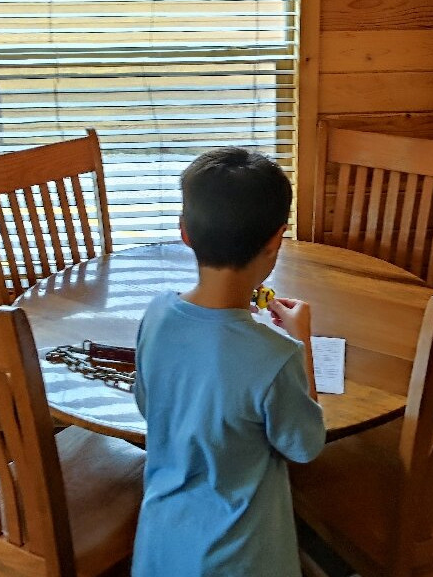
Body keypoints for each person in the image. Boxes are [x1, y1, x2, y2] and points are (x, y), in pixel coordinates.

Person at [132, 147, 326, 577]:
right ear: (278, 237)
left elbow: (149, 407)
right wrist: (302, 341)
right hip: (242, 560)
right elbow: (304, 444)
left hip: (160, 547)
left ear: (184, 232)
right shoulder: (276, 356)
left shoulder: (156, 315)